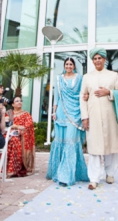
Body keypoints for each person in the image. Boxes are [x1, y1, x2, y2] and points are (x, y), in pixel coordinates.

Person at [80, 48, 118, 190]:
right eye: (95, 58)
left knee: (111, 147)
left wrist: (109, 92)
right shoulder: (87, 77)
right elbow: (83, 97)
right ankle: (93, 179)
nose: (97, 60)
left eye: (100, 58)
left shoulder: (113, 75)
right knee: (94, 148)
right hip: (93, 117)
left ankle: (110, 174)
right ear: (92, 61)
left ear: (104, 60)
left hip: (110, 116)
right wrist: (84, 117)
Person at [46, 58, 89, 186]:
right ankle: (57, 172)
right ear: (64, 66)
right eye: (67, 64)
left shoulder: (80, 78)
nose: (69, 66)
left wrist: (86, 99)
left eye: (71, 64)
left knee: (71, 142)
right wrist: (54, 112)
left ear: (74, 66)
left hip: (75, 113)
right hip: (60, 113)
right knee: (60, 142)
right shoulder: (59, 79)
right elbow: (56, 97)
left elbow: (83, 94)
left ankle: (68, 175)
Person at [5, 96, 35, 177]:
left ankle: (13, 169)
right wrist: (16, 127)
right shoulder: (8, 113)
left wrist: (20, 131)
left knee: (14, 140)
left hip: (20, 136)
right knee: (9, 140)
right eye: (17, 101)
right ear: (12, 104)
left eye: (20, 101)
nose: (19, 102)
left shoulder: (26, 114)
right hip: (8, 133)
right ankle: (2, 168)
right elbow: (5, 124)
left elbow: (28, 126)